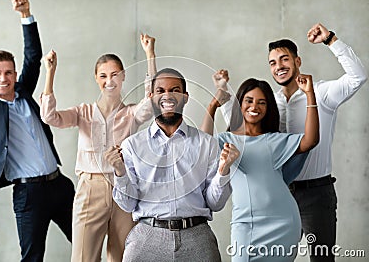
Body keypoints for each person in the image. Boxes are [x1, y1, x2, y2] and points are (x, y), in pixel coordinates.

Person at [219, 23, 367, 261]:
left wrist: (330, 40)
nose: (279, 67)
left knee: (322, 258)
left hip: (316, 193)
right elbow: (243, 132)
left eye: (284, 59)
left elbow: (358, 77)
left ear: (298, 61)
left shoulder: (321, 93)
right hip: (278, 194)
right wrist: (224, 95)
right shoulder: (269, 102)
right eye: (273, 62)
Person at [0, 0, 75, 262]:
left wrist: (25, 15)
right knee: (32, 257)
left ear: (15, 74)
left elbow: (33, 57)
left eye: (8, 72)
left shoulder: (24, 91)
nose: (3, 78)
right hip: (29, 194)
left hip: (60, 184)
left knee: (88, 245)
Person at [40, 35, 157, 262]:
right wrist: (50, 73)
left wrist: (150, 54)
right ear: (96, 79)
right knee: (84, 257)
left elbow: (152, 100)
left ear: (123, 77)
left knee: (124, 257)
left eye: (114, 75)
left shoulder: (132, 114)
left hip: (124, 189)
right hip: (90, 189)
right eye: (103, 76)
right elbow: (49, 116)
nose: (109, 81)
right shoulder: (82, 113)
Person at [104, 68, 239, 262]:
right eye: (160, 90)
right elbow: (127, 204)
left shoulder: (206, 143)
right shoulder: (132, 145)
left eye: (175, 90)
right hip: (147, 237)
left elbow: (215, 203)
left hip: (197, 238)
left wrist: (223, 171)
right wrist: (120, 172)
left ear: (185, 97)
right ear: (151, 97)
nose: (167, 95)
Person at [202, 74, 319, 261]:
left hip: (283, 223)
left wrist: (310, 94)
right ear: (239, 104)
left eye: (262, 103)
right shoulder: (226, 140)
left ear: (268, 108)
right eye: (249, 100)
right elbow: (202, 148)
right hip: (245, 224)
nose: (254, 107)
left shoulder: (274, 140)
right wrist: (212, 106)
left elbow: (310, 140)